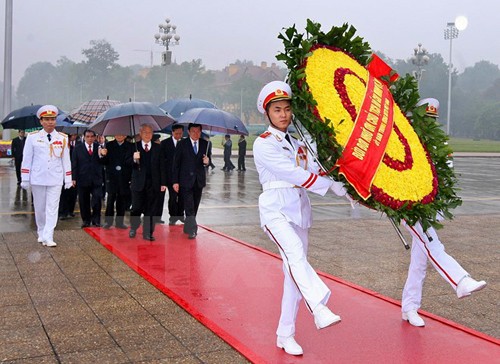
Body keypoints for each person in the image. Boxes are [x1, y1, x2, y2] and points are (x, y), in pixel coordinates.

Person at [254, 81, 349, 356]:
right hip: (275, 211)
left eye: (286, 109)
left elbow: (316, 169)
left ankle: (286, 333)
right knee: (295, 253)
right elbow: (293, 174)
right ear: (267, 114)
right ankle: (319, 307)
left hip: (300, 211)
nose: (283, 114)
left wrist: (343, 187)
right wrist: (329, 186)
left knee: (293, 274)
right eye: (277, 110)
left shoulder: (299, 143)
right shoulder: (264, 144)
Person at [400, 98, 487, 327]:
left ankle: (410, 307)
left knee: (419, 261)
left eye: (432, 120)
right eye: (425, 120)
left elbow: (446, 180)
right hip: (410, 209)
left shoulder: (440, 148)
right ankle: (460, 280)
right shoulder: (406, 146)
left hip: (431, 210)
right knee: (433, 245)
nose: (429, 125)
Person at [20, 105, 72, 247]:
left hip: (55, 178)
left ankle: (49, 235)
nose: (50, 122)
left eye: (53, 119)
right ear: (41, 121)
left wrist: (67, 178)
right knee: (40, 207)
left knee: (52, 207)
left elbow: (66, 160)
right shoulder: (33, 137)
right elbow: (27, 158)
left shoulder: (62, 138)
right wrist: (25, 178)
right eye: (47, 119)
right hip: (38, 178)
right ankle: (41, 231)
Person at [127, 124, 167, 241]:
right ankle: (133, 228)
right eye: (145, 132)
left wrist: (163, 183)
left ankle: (148, 232)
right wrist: (134, 159)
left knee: (151, 209)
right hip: (138, 183)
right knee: (136, 208)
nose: (147, 135)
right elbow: (127, 163)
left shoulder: (158, 148)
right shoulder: (134, 147)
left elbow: (162, 167)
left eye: (150, 132)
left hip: (153, 183)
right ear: (140, 133)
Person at [172, 123, 210, 239]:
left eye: (198, 131)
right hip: (185, 181)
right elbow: (176, 164)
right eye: (193, 131)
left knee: (195, 206)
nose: (196, 133)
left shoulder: (206, 144)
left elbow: (209, 161)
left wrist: (207, 161)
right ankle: (193, 230)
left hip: (198, 180)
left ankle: (188, 226)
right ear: (188, 132)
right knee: (189, 206)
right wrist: (175, 181)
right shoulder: (182, 144)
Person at [72, 130, 105, 228]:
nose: (90, 138)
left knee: (97, 199)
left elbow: (104, 161)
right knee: (83, 200)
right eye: (88, 136)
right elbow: (74, 164)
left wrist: (102, 154)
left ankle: (96, 220)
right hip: (82, 178)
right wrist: (73, 178)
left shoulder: (99, 147)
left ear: (95, 137)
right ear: (84, 137)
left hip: (96, 178)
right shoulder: (78, 148)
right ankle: (86, 220)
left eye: (92, 136)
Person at [100, 135, 134, 229]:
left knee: (121, 200)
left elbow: (131, 162)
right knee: (110, 200)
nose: (119, 136)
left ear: (125, 135)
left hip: (124, 176)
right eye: (117, 134)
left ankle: (120, 222)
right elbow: (104, 162)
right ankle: (108, 222)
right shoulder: (109, 145)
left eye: (122, 133)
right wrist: (103, 155)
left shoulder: (130, 146)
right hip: (112, 177)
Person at [159, 124, 185, 225]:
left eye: (181, 133)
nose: (179, 135)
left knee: (182, 196)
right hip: (169, 176)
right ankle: (173, 216)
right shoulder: (165, 144)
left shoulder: (185, 143)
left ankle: (181, 214)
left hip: (182, 176)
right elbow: (162, 161)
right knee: (173, 197)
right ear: (172, 132)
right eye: (177, 133)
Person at [59, 133, 79, 220]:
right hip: (62, 174)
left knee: (72, 194)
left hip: (73, 174)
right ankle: (62, 212)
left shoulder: (74, 149)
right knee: (63, 195)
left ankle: (70, 211)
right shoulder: (60, 150)